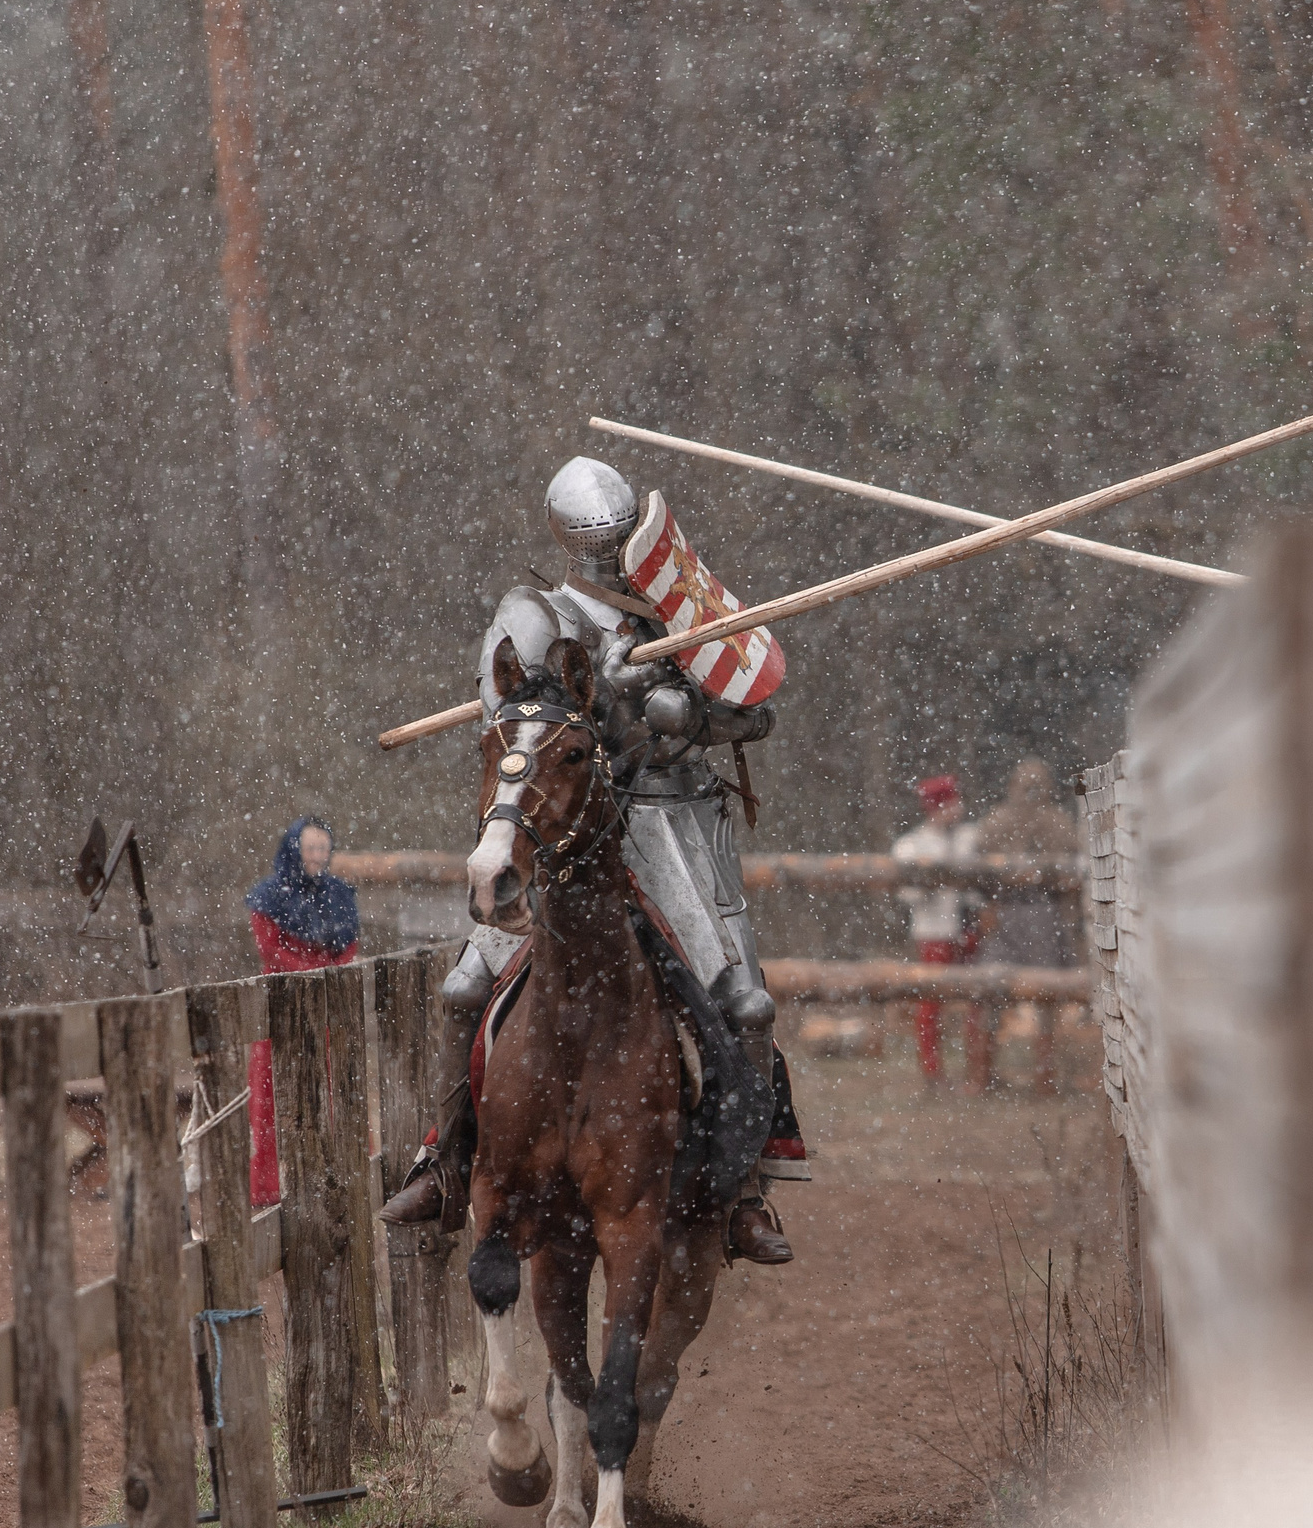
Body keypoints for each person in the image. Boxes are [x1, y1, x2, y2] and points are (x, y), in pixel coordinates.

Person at [380, 456, 801, 1266]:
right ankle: (445, 1161)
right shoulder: (534, 615)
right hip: (567, 825)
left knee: (745, 1004)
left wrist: (685, 713)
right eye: (596, 539)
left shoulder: (676, 605)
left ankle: (742, 1192)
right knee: (466, 985)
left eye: (617, 538)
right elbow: (513, 728)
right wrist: (606, 695)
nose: (608, 553)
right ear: (567, 537)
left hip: (671, 820)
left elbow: (754, 714)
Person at [245, 817, 359, 1205]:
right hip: (280, 1000)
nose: (318, 856)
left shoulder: (338, 894)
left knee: (333, 1084)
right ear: (294, 850)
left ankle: (336, 1174)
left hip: (327, 1003)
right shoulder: (270, 895)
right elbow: (269, 948)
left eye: (323, 848)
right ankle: (269, 1186)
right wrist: (309, 974)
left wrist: (331, 974)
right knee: (271, 1091)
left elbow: (348, 945)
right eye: (311, 848)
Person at [973, 758, 1081, 1093]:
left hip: (1040, 911)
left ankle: (1042, 1078)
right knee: (992, 989)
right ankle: (985, 1076)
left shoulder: (1055, 822)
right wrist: (988, 904)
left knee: (1043, 993)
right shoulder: (1000, 821)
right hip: (1013, 910)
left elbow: (1071, 872)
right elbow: (978, 869)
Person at [893, 775, 990, 1089]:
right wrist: (934, 881)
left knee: (978, 999)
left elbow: (984, 881)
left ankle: (978, 1072)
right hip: (934, 932)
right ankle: (933, 1073)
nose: (958, 808)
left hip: (969, 929)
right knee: (931, 1002)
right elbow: (907, 894)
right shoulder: (912, 844)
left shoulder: (971, 838)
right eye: (950, 803)